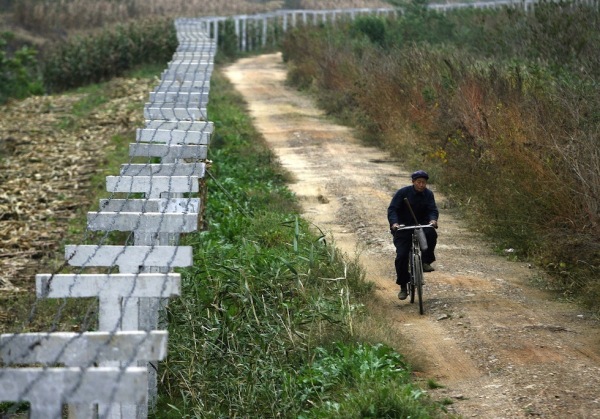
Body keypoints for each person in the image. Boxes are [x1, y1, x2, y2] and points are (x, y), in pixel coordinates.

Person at [387, 170, 439, 300]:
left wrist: (433, 220)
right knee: (402, 256)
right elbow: (392, 209)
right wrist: (394, 223)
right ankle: (403, 286)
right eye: (419, 182)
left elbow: (432, 209)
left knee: (431, 234)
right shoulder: (402, 193)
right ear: (413, 182)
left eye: (424, 183)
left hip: (421, 225)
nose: (421, 185)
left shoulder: (428, 194)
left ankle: (425, 261)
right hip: (403, 227)